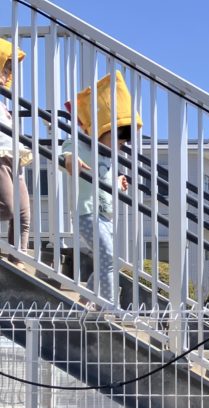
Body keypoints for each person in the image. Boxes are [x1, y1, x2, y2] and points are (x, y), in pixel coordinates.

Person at [60, 71, 141, 308]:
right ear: (102, 132)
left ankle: (87, 297)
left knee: (111, 260)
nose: (120, 147)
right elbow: (65, 149)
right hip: (87, 212)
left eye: (123, 144)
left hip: (104, 215)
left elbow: (103, 182)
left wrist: (118, 184)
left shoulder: (107, 157)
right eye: (117, 140)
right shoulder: (82, 144)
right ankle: (109, 306)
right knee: (108, 258)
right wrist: (70, 158)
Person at [0, 40, 31, 253]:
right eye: (4, 69)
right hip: (1, 157)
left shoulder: (3, 103)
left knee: (23, 214)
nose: (7, 75)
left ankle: (18, 258)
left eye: (9, 71)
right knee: (8, 208)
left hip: (15, 158)